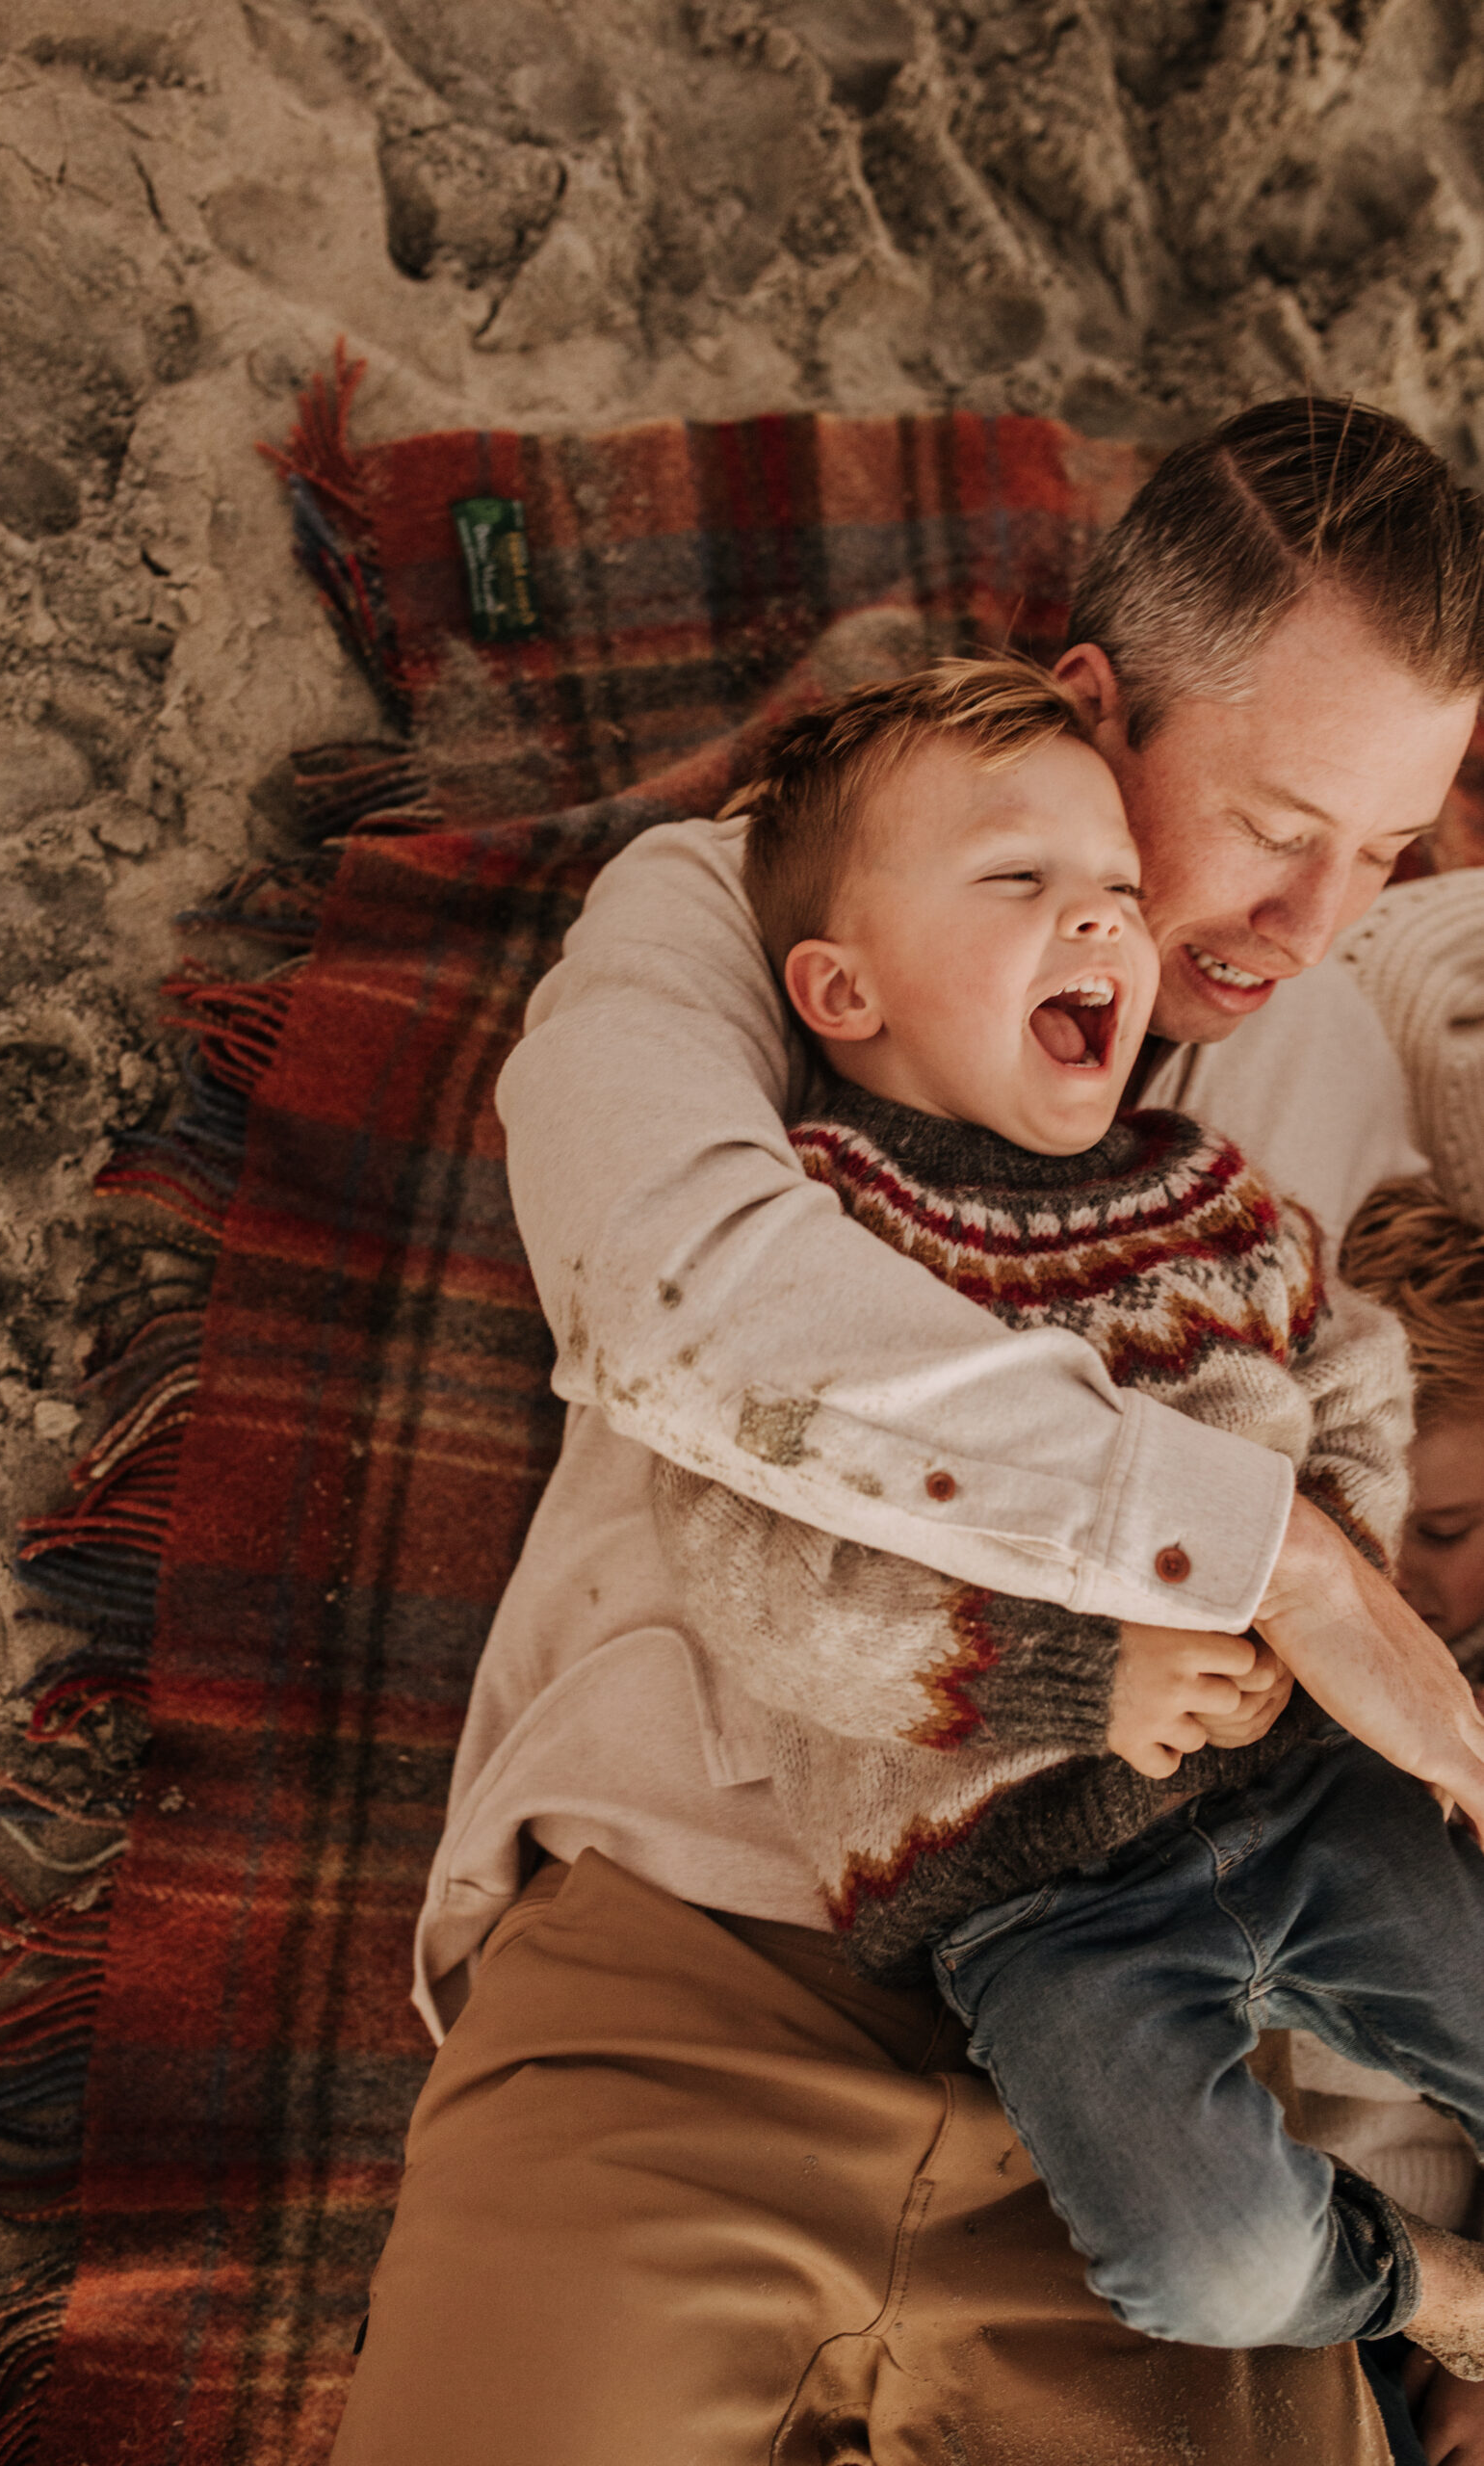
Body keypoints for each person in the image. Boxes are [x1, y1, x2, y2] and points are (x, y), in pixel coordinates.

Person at [332, 400, 1484, 2466]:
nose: (1306, 920)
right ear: (1088, 703)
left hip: (1175, 2082)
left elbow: (1388, 1494)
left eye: (1384, 850)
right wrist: (1269, 1555)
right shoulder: (759, 909)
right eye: (1272, 820)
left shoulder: (1334, 1058)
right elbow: (676, 1285)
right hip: (698, 1968)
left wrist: (1423, 2250)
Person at [650, 651, 1484, 2383]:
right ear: (841, 985)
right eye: (1023, 886)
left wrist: (1312, 1555)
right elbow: (763, 1578)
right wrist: (1074, 1679)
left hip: (1308, 1789)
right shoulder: (818, 1239)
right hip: (1036, 1904)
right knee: (1213, 2262)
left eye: (1116, 888)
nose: (1103, 927)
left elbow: (1352, 1366)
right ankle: (1433, 2296)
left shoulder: (1201, 1183)